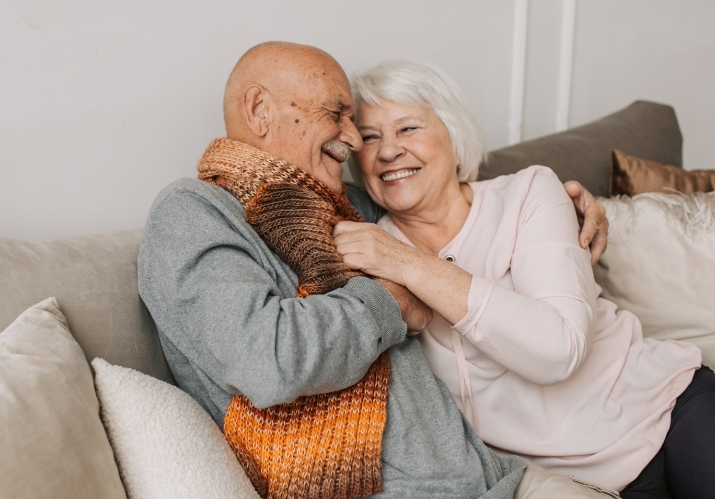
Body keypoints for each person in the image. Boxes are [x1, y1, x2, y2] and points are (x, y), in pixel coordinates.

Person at [138, 41, 615, 499]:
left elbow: (438, 190)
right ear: (259, 109)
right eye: (338, 114)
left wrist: (565, 203)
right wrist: (393, 301)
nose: (352, 138)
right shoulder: (192, 213)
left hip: (495, 476)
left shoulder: (344, 205)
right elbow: (267, 361)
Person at [334, 59, 715, 498]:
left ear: (453, 136)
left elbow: (558, 350)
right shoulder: (366, 246)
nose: (388, 150)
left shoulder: (529, 193)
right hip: (561, 482)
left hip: (670, 412)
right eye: (369, 138)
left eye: (409, 127)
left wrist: (413, 265)